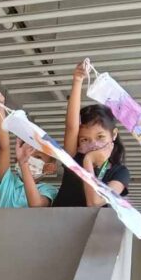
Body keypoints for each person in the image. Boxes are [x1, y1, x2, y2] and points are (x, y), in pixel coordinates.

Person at [55, 60, 130, 207]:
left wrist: (88, 160)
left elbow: (94, 202)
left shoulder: (120, 172)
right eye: (84, 139)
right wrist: (78, 80)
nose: (93, 144)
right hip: (59, 221)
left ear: (114, 134)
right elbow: (71, 127)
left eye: (100, 137)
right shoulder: (73, 157)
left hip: (92, 223)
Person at [0, 88, 59, 208]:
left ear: (49, 168)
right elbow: (3, 146)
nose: (28, 157)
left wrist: (24, 163)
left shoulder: (49, 190)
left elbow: (36, 205)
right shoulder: (8, 181)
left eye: (38, 157)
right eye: (27, 153)